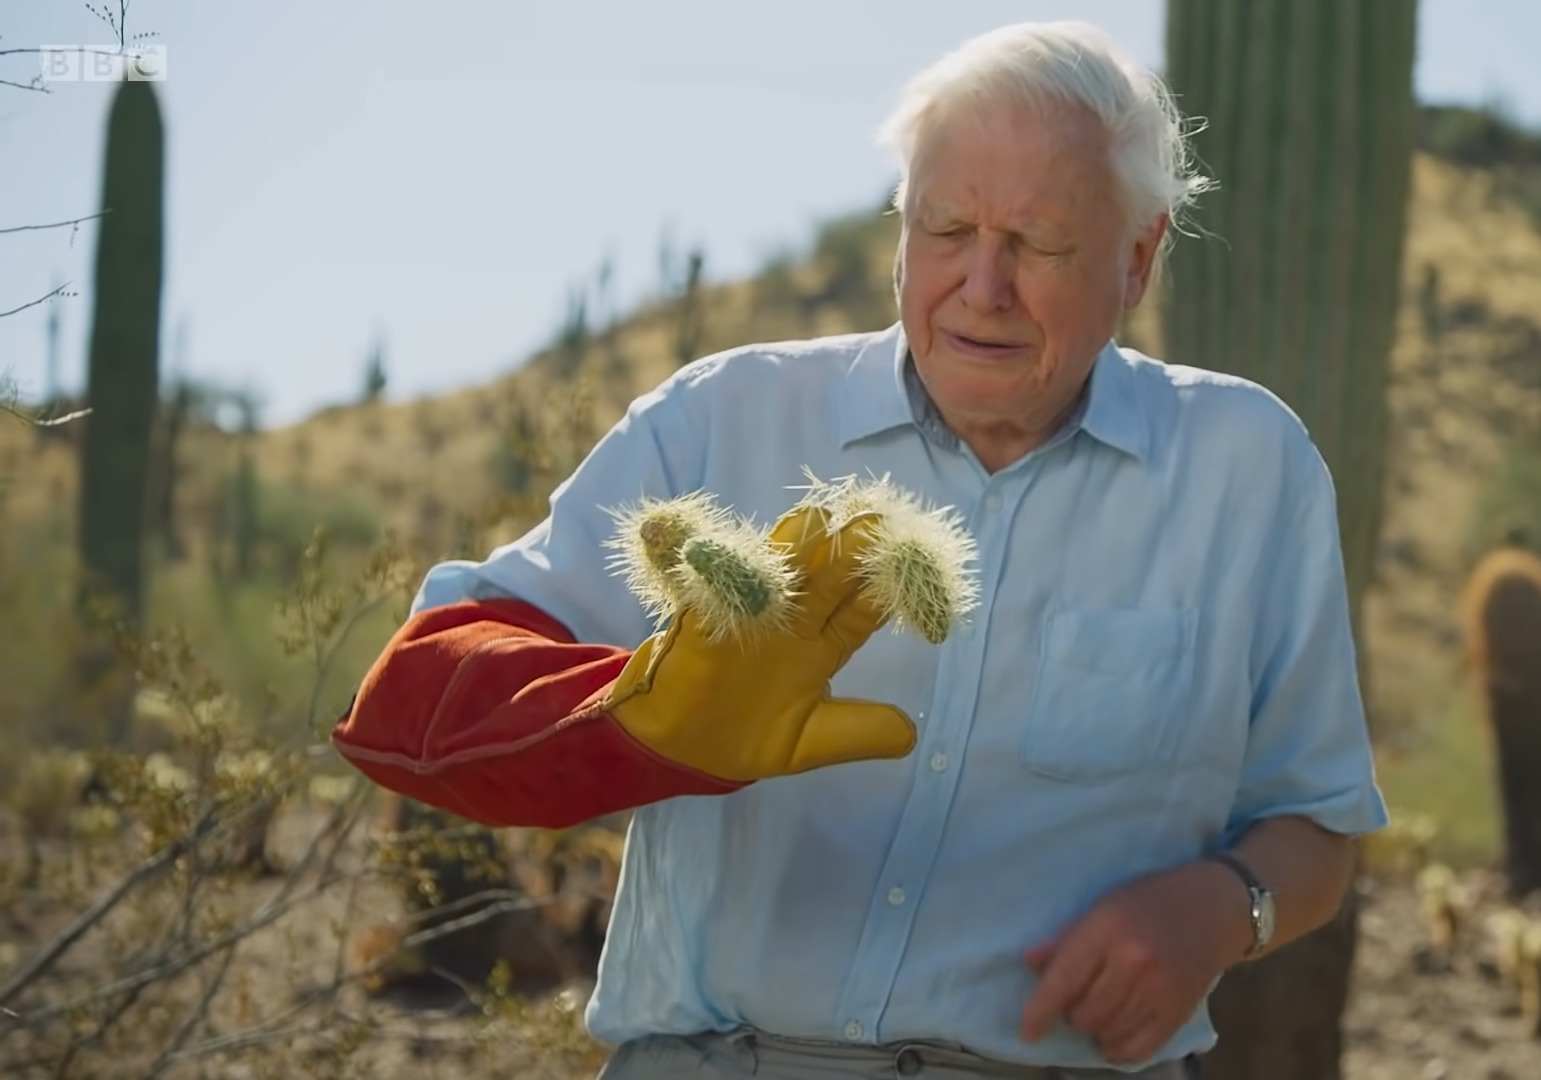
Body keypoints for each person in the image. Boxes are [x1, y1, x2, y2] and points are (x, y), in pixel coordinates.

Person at [331, 19, 1389, 1080]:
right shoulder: (725, 420)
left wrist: (1217, 909)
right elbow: (417, 691)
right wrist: (646, 714)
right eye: (945, 230)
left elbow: (1314, 823)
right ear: (899, 228)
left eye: (1039, 244)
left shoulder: (1248, 467)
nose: (982, 286)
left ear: (1139, 259)